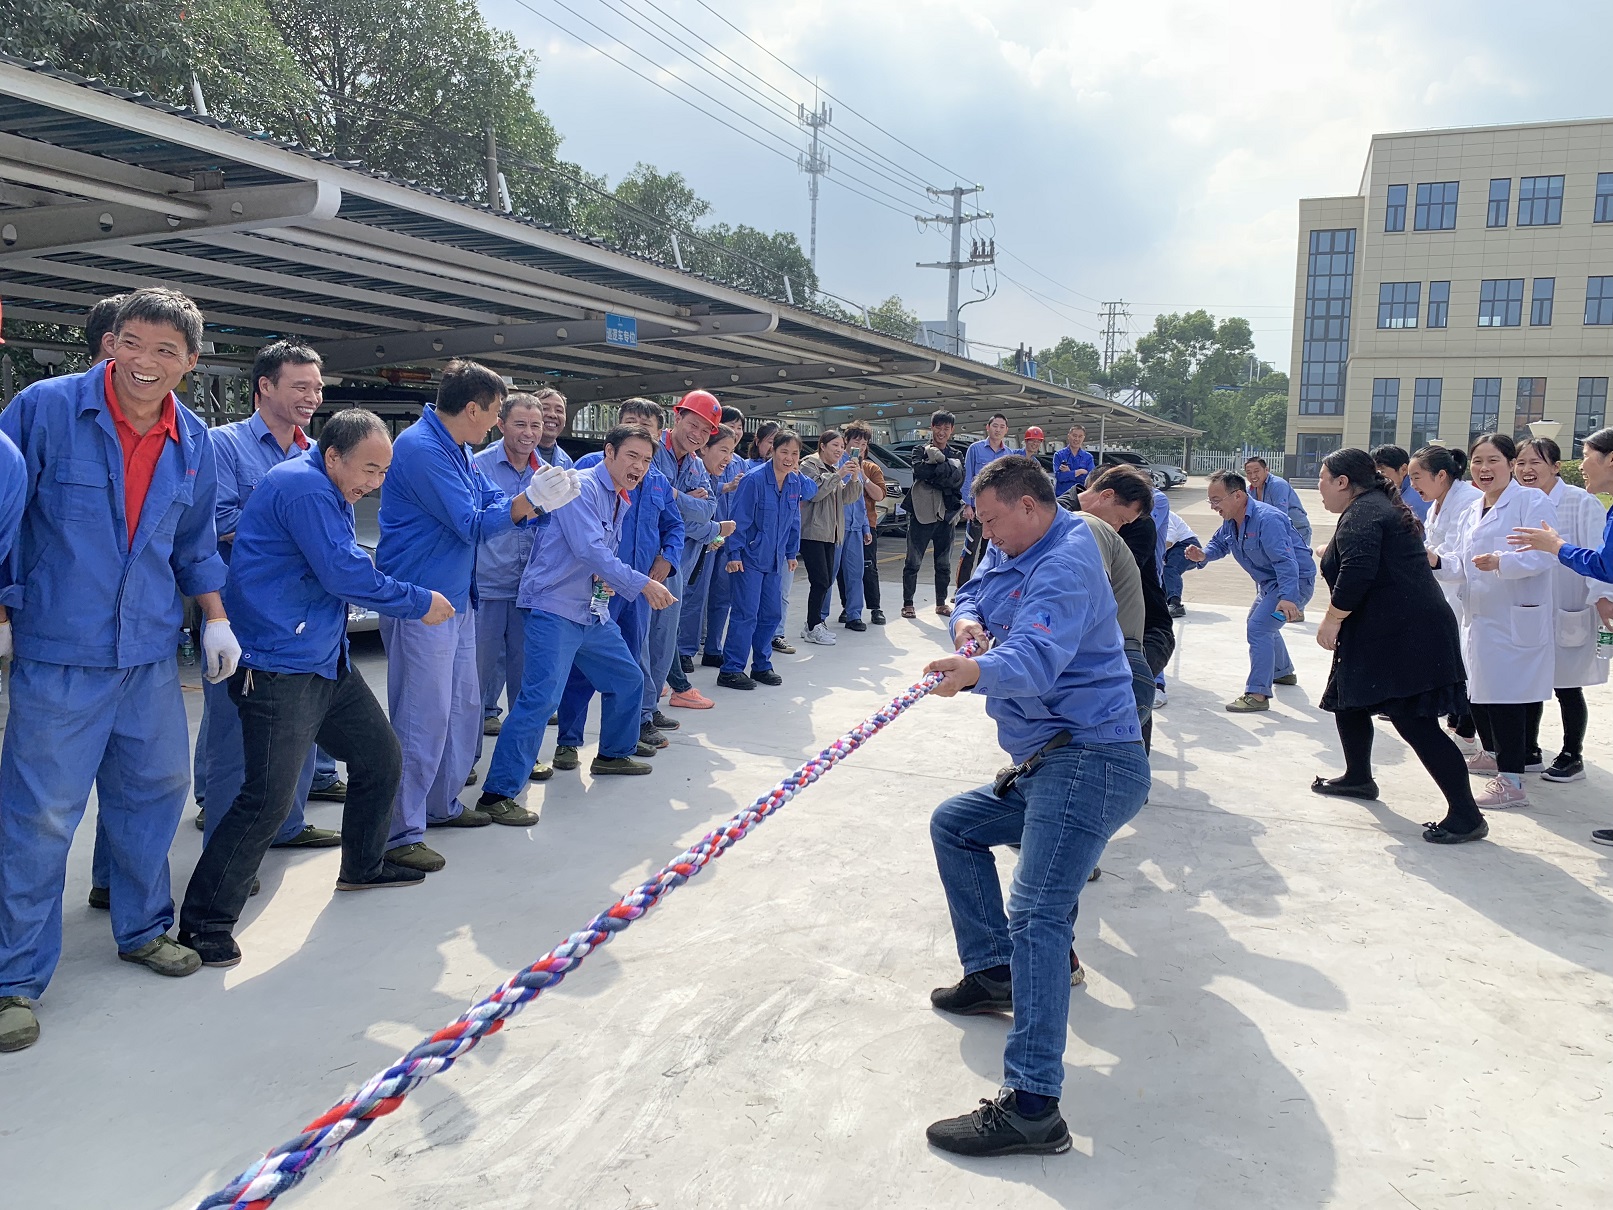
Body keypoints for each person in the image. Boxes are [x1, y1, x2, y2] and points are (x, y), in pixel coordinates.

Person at [0, 288, 240, 1054]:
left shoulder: (192, 440)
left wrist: (215, 616)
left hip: (147, 655)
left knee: (155, 792)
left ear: (190, 362)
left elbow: (194, 543)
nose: (144, 361)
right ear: (110, 342)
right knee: (40, 816)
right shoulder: (45, 410)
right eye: (131, 342)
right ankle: (12, 978)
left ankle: (142, 930)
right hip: (58, 653)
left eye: (166, 350)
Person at [921, 455, 1149, 1157]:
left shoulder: (1068, 559)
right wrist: (966, 626)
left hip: (1090, 759)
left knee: (1038, 914)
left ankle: (1032, 1106)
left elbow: (1033, 659)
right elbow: (973, 590)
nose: (985, 533)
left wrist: (974, 671)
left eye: (992, 520)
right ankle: (995, 972)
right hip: (1049, 761)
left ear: (1028, 506)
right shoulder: (1013, 543)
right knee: (956, 825)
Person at [178, 411, 458, 966]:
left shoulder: (325, 485)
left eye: (383, 472)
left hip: (323, 657)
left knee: (379, 758)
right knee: (266, 800)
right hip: (279, 665)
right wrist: (419, 601)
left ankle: (363, 865)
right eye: (370, 470)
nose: (375, 483)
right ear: (333, 456)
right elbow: (344, 573)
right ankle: (203, 925)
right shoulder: (305, 488)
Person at [376, 360, 579, 873]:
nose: (497, 424)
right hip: (422, 603)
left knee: (463, 709)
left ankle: (440, 805)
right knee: (421, 718)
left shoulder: (456, 448)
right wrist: (528, 503)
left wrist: (533, 498)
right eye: (495, 413)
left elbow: (489, 498)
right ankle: (399, 832)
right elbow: (470, 523)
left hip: (457, 598)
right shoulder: (422, 449)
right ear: (473, 409)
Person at [476, 425, 677, 810]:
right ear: (609, 452)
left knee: (627, 678)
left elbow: (596, 556)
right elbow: (589, 549)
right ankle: (497, 794)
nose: (639, 466)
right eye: (632, 456)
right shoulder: (580, 487)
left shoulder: (619, 496)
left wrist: (608, 581)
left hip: (591, 610)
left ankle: (613, 755)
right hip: (554, 608)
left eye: (646, 460)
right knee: (540, 699)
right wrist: (642, 584)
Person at [192, 342, 340, 861]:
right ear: (265, 387)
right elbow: (215, 521)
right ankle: (227, 852)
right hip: (240, 613)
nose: (312, 397)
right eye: (301, 386)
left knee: (298, 726)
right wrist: (295, 530)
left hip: (301, 615)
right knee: (234, 736)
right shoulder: (223, 445)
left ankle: (287, 824)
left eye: (317, 388)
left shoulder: (317, 452)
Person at [1307, 449, 1486, 844]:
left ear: (1342, 482)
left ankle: (1466, 815)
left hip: (1408, 633)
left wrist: (1331, 619)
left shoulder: (1365, 513)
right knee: (1348, 699)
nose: (1318, 487)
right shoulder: (1368, 508)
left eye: (1322, 478)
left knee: (1414, 721)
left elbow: (1358, 571)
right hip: (1386, 628)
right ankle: (1358, 777)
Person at [553, 400, 683, 770]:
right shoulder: (588, 469)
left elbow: (673, 525)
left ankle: (619, 742)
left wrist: (667, 557)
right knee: (582, 669)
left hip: (638, 589)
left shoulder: (656, 479)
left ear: (657, 434)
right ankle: (568, 742)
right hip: (596, 588)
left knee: (628, 665)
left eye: (647, 426)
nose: (638, 430)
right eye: (630, 423)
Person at [1429, 434, 1556, 809]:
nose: (1484, 469)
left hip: (1513, 615)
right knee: (1480, 694)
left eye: (1493, 461)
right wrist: (1435, 561)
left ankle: (1512, 782)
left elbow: (1545, 555)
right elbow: (1459, 563)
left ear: (1512, 464)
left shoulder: (1532, 501)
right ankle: (1493, 756)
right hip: (1479, 616)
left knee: (1506, 700)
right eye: (1477, 461)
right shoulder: (1472, 508)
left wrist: (1502, 562)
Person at [1508, 425, 1613, 844]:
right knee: (1531, 678)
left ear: (1554, 467)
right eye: (1520, 463)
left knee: (1568, 683)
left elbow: (1602, 559)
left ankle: (1572, 754)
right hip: (1532, 605)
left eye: (1535, 462)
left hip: (1572, 602)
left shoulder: (1580, 502)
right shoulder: (1518, 501)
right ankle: (1530, 749)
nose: (1526, 469)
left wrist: (1601, 597)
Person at [1059, 465, 1175, 748]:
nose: (1119, 528)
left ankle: (1132, 767)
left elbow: (1102, 587)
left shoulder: (1138, 524)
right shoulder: (1054, 514)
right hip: (1080, 636)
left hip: (1141, 634)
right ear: (1106, 495)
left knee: (1128, 697)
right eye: (1120, 519)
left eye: (1125, 522)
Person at [1184, 470, 1317, 712]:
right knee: (1261, 623)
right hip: (1270, 585)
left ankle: (1257, 695)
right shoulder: (1231, 520)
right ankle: (1283, 672)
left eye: (1216, 500)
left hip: (1293, 584)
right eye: (1210, 501)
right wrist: (1203, 555)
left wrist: (1289, 599)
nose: (1213, 507)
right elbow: (1219, 543)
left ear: (1237, 496)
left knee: (1259, 627)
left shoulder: (1268, 520)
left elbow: (1286, 562)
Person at [644, 391, 726, 747]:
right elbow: (652, 504)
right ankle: (638, 714)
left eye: (706, 431)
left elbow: (707, 512)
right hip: (644, 560)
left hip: (673, 562)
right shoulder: (651, 451)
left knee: (664, 641)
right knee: (639, 641)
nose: (698, 435)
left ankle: (648, 709)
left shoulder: (694, 464)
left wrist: (676, 498)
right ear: (677, 418)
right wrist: (685, 500)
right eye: (693, 424)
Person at [474, 391, 553, 744]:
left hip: (531, 594)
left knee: (528, 684)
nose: (529, 433)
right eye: (520, 424)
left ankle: (522, 760)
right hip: (487, 590)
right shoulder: (477, 467)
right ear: (500, 424)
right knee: (473, 683)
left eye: (536, 425)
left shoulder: (549, 473)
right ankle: (464, 761)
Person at [1409, 444, 1484, 748]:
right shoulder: (1438, 502)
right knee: (1455, 660)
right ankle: (1457, 720)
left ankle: (1466, 729)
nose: (1413, 485)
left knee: (1466, 663)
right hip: (1445, 589)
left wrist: (1428, 558)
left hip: (1463, 592)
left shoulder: (1469, 502)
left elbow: (1458, 557)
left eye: (1417, 477)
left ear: (1440, 475)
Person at [718, 431, 806, 690]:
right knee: (746, 613)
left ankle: (761, 665)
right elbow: (738, 519)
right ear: (772, 451)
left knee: (771, 613)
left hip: (775, 560)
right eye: (784, 452)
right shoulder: (753, 480)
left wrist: (791, 552)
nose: (789, 458)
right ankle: (731, 669)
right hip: (749, 559)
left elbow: (794, 520)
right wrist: (734, 554)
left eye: (794, 453)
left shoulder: (794, 482)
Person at [673, 422, 740, 700]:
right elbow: (682, 519)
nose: (729, 458)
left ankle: (697, 658)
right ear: (704, 449)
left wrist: (712, 529)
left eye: (732, 451)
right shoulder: (691, 473)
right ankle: (682, 662)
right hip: (681, 553)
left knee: (714, 598)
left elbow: (705, 510)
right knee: (686, 602)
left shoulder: (707, 476)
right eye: (723, 449)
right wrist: (715, 529)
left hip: (708, 546)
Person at [797, 429, 864, 646]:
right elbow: (815, 494)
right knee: (820, 580)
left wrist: (854, 477)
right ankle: (813, 625)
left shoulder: (834, 469)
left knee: (825, 581)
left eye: (842, 447)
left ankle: (813, 624)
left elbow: (847, 498)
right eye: (835, 445)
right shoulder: (809, 465)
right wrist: (840, 474)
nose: (839, 450)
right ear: (822, 446)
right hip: (813, 532)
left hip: (831, 533)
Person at [902, 410, 965, 618]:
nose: (942, 432)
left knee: (944, 563)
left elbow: (958, 480)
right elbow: (919, 471)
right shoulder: (919, 449)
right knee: (913, 561)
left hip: (946, 515)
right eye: (938, 427)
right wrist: (946, 470)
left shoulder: (956, 454)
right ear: (932, 427)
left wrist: (935, 473)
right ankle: (908, 603)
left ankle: (941, 602)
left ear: (952, 430)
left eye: (946, 428)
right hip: (921, 512)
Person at [831, 420, 880, 631]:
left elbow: (860, 500)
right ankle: (819, 617)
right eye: (855, 442)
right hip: (836, 526)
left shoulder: (860, 466)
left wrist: (865, 527)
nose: (859, 447)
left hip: (855, 527)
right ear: (846, 441)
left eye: (863, 444)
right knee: (830, 573)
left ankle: (854, 615)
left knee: (855, 573)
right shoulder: (836, 463)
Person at [957, 412, 1014, 587]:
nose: (998, 430)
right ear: (988, 428)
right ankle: (961, 589)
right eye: (995, 426)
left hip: (997, 512)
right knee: (969, 550)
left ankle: (982, 588)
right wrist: (967, 505)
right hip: (977, 510)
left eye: (1002, 427)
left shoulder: (1009, 454)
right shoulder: (975, 449)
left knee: (989, 552)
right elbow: (968, 477)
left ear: (1006, 430)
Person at [1243, 455, 1313, 546]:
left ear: (1266, 470)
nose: (1253, 476)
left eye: (1256, 471)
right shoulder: (1250, 491)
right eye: (1249, 472)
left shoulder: (1278, 485)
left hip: (1297, 531)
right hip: (1273, 531)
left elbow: (1280, 516)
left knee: (1295, 556)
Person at [1371, 443, 1431, 525]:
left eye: (1381, 472)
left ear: (1403, 469)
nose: (1377, 477)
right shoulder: (1389, 493)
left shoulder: (1418, 496)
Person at [1160, 509, 1201, 618]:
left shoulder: (1160, 511)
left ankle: (1175, 604)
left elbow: (1170, 536)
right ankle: (1162, 600)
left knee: (1170, 569)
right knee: (1160, 573)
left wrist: (1156, 551)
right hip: (1170, 550)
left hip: (1186, 545)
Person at [1051, 424, 1094, 498]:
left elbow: (1090, 479)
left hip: (1081, 497)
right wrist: (1079, 472)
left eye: (1080, 436)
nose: (1077, 439)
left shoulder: (1088, 457)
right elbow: (1059, 477)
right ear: (1069, 436)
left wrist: (1069, 473)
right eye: (1074, 435)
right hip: (1062, 497)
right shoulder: (1059, 455)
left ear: (1083, 438)